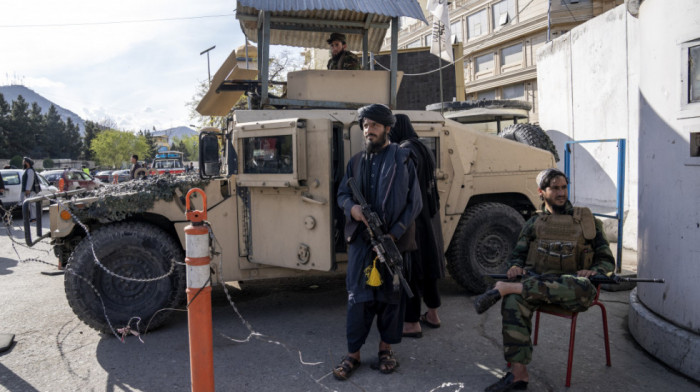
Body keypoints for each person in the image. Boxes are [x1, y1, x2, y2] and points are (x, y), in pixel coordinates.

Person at [474, 168, 615, 392]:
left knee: (578, 286)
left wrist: (594, 270)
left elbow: (607, 261)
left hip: (574, 289)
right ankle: (518, 375)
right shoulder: (533, 224)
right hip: (537, 284)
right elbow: (517, 256)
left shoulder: (587, 221)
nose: (561, 193)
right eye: (555, 188)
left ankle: (509, 288)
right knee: (512, 302)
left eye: (564, 187)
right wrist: (514, 267)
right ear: (541, 192)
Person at [334, 104, 422, 380]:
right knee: (357, 300)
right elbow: (341, 194)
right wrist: (353, 209)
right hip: (362, 243)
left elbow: (414, 203)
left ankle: (386, 350)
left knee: (391, 299)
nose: (367, 130)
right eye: (364, 126)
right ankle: (353, 355)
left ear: (387, 128)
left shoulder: (403, 159)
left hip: (392, 242)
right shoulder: (356, 161)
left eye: (373, 125)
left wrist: (393, 233)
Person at [389, 114, 446, 338]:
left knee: (410, 269)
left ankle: (411, 323)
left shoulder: (405, 150)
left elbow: (405, 189)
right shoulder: (422, 147)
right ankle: (433, 314)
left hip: (414, 219)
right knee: (429, 266)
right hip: (429, 217)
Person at [21, 157, 40, 223]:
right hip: (28, 190)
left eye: (24, 162)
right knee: (29, 204)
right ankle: (31, 217)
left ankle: (33, 218)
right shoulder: (27, 170)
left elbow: (30, 181)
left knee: (32, 204)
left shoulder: (30, 171)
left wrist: (27, 189)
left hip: (30, 191)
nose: (23, 163)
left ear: (27, 163)